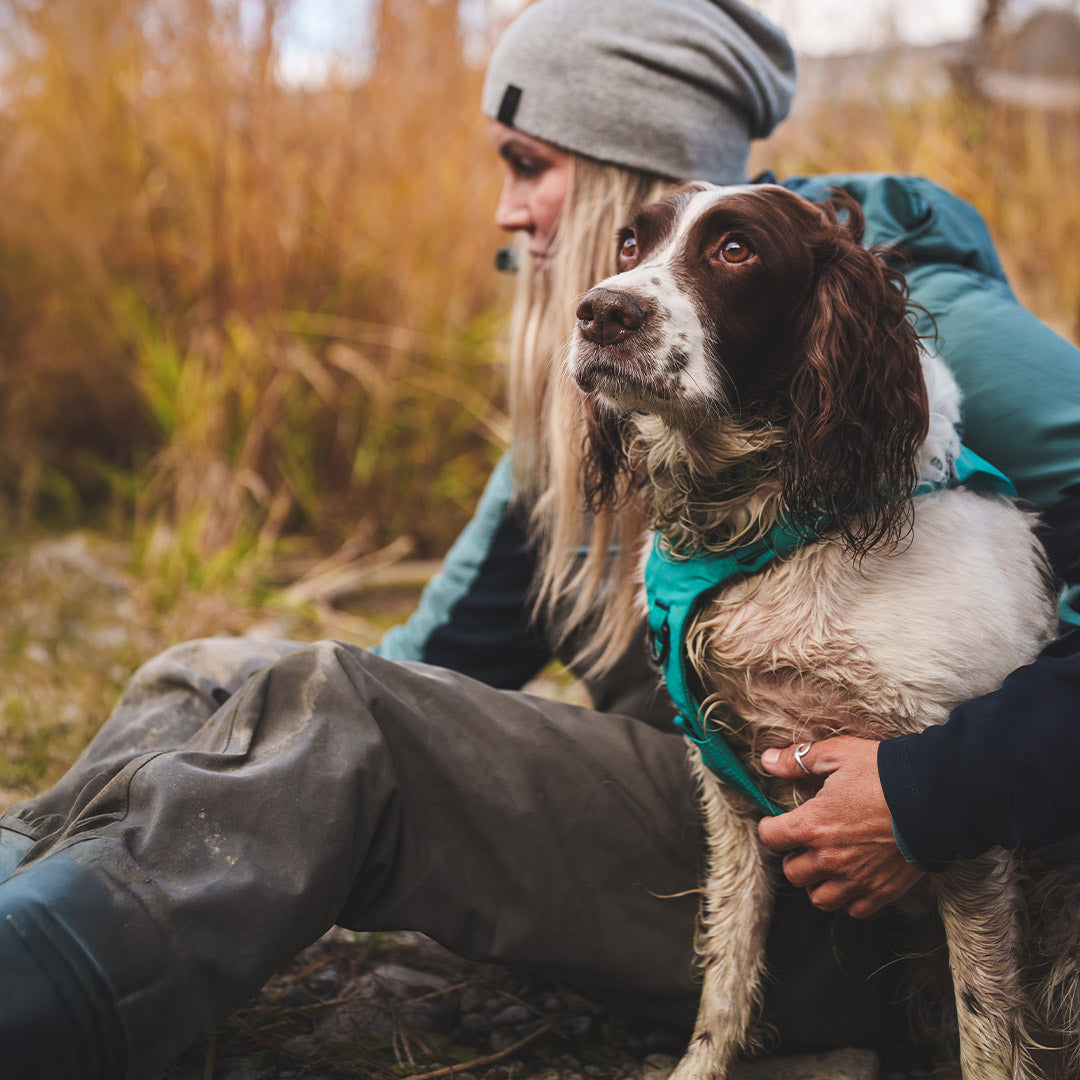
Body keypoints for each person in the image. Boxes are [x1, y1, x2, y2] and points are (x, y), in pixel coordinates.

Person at [2, 1, 1080, 1077]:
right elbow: (436, 655)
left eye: (530, 165)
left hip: (893, 899)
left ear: (629, 159)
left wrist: (938, 786)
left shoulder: (908, 332)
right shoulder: (624, 383)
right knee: (227, 675)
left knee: (339, 717)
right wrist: (263, 724)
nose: (507, 212)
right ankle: (20, 888)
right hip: (727, 818)